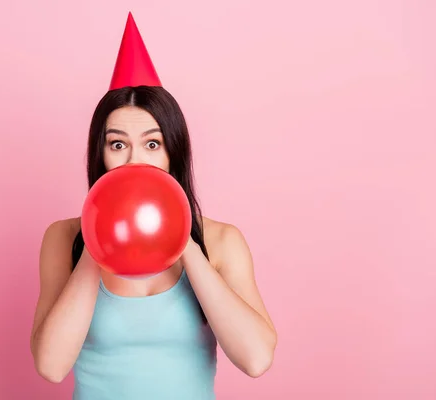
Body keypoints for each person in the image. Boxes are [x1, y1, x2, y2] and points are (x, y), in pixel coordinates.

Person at [30, 12, 277, 400]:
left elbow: (256, 359)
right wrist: (99, 241)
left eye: (151, 144)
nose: (134, 161)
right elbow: (50, 365)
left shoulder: (222, 240)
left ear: (172, 154)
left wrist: (184, 243)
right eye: (117, 144)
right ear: (100, 155)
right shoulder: (64, 238)